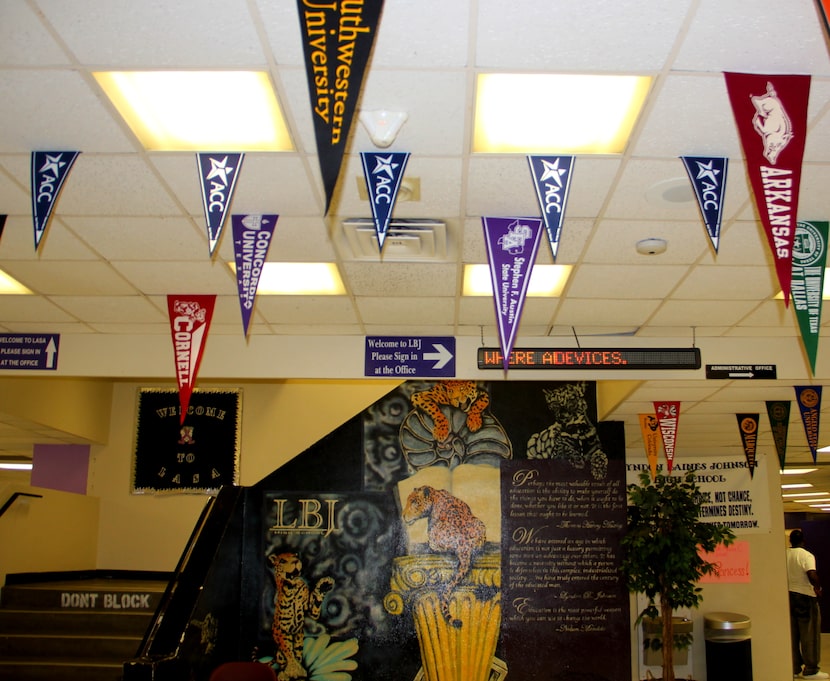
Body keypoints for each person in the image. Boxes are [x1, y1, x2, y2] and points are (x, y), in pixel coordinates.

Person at [788, 529, 826, 679]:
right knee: (810, 634)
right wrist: (817, 588)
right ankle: (811, 669)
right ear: (803, 541)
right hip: (805, 597)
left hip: (788, 596)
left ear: (790, 541)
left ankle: (795, 667)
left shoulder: (784, 554)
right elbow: (811, 574)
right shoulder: (806, 555)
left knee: (793, 634)